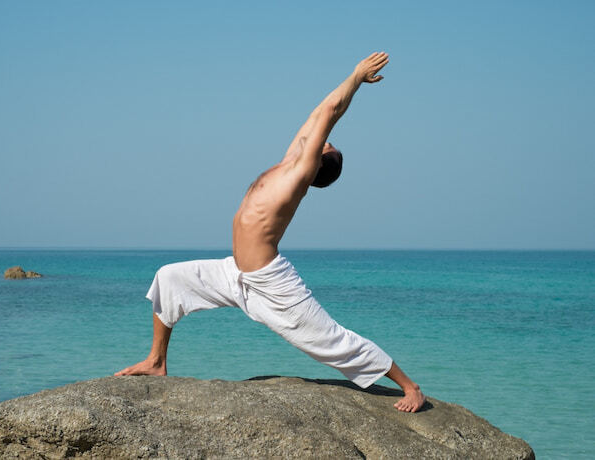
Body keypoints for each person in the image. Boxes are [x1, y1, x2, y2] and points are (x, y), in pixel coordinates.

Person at [116, 52, 425, 412]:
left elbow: (328, 113)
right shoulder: (288, 165)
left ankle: (410, 386)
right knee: (169, 279)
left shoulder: (298, 174)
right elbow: (316, 116)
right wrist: (339, 96)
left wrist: (356, 77)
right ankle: (156, 362)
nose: (320, 139)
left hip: (271, 283)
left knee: (330, 341)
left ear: (319, 163)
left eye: (325, 144)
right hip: (235, 273)